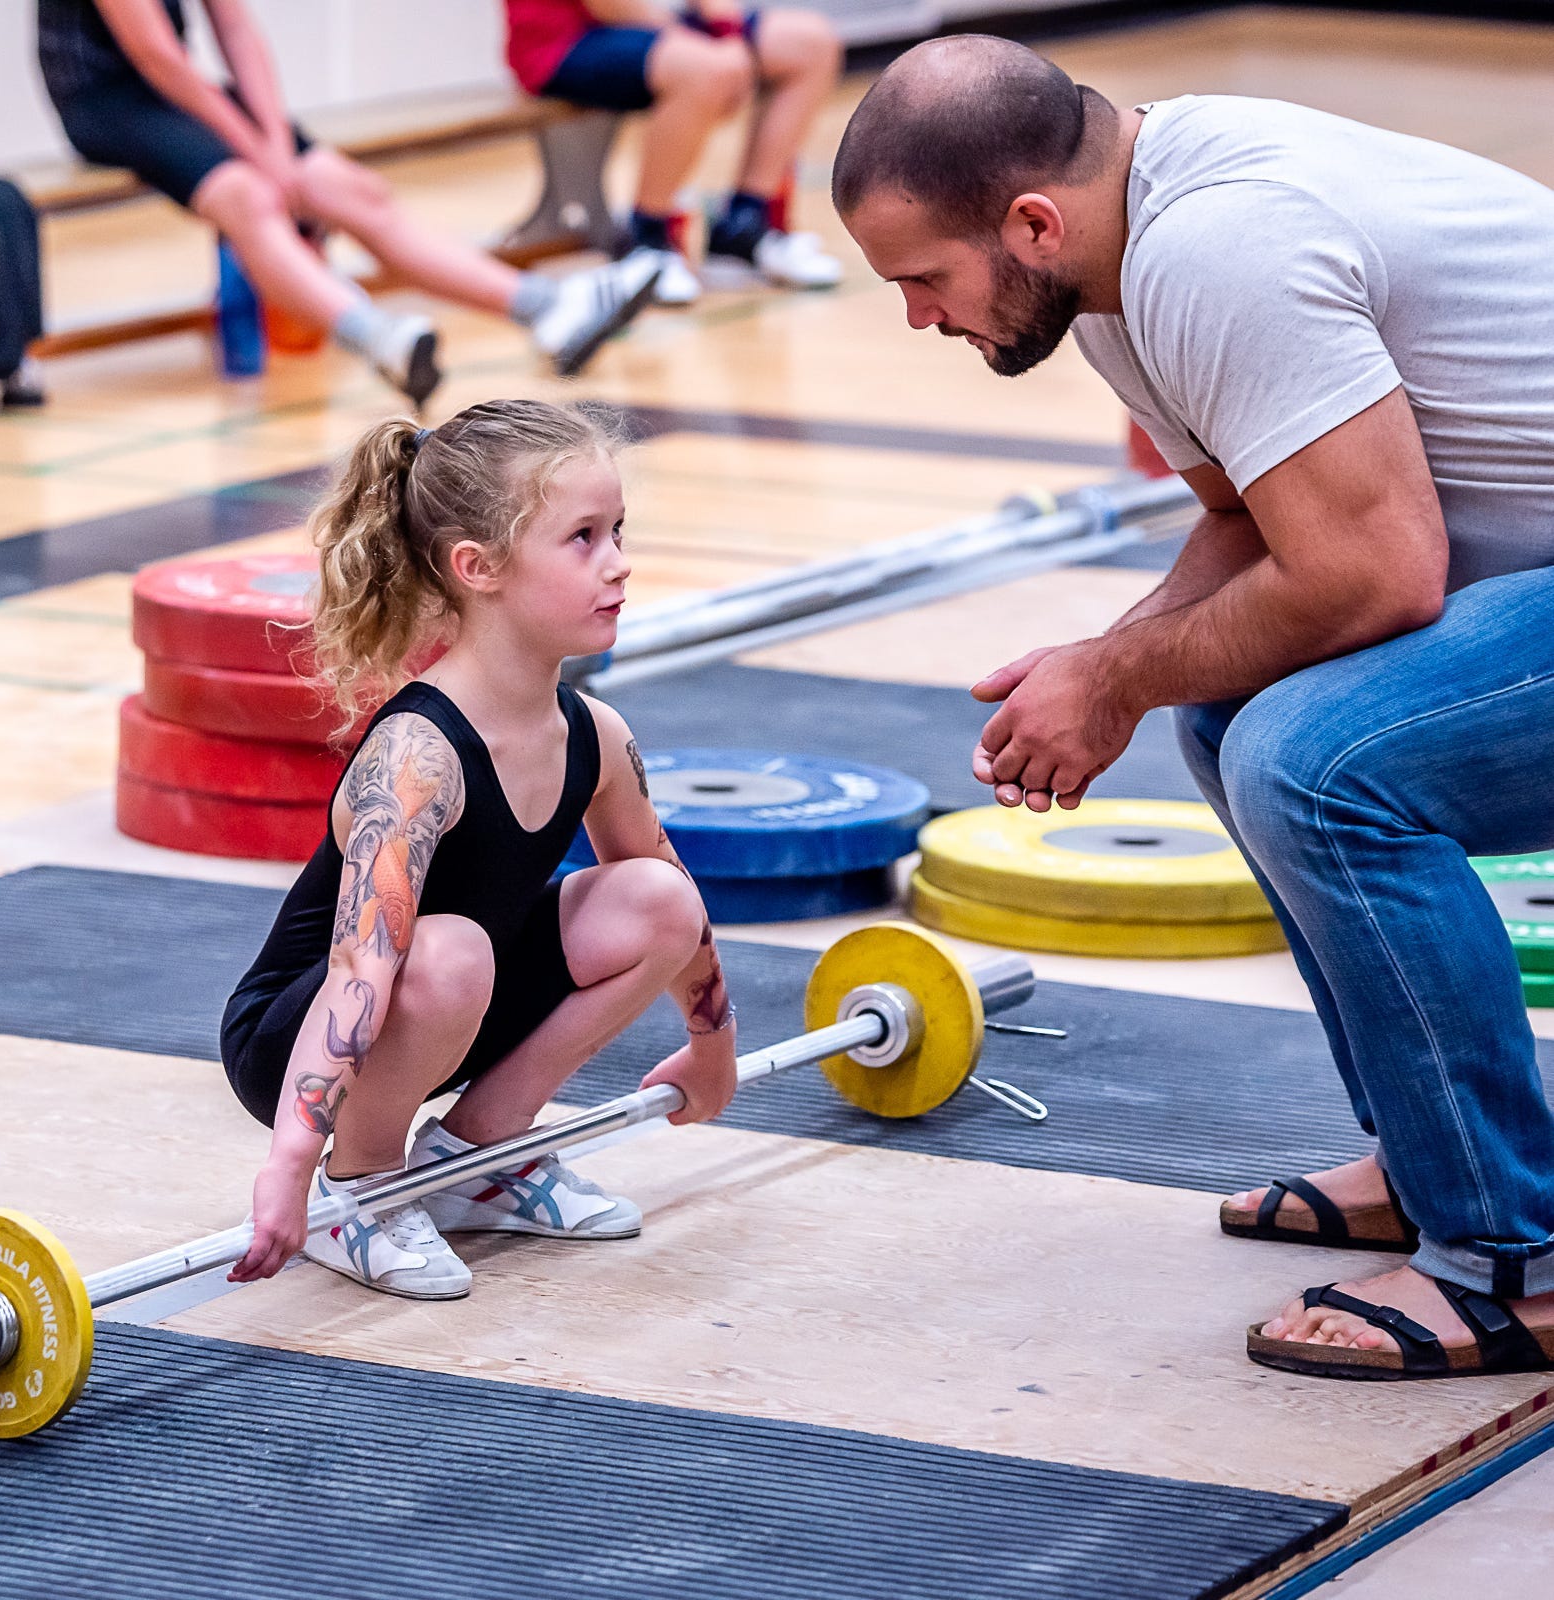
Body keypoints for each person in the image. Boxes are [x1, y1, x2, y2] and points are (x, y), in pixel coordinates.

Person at [830, 36, 1554, 1378]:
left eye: (923, 279)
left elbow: (1376, 573)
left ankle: (1514, 1259)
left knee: (1316, 767)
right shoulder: (1109, 254)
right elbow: (1250, 519)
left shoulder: (1215, 248)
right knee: (1228, 710)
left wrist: (1111, 677)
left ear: (1029, 222)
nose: (918, 319)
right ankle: (1437, 1153)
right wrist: (1107, 666)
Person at [221, 399, 740, 1298]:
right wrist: (290, 1164)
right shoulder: (416, 759)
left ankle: (481, 1156)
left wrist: (712, 1051)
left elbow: (679, 922)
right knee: (452, 947)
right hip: (302, 1040)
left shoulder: (596, 735)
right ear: (478, 567)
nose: (618, 563)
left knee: (656, 896)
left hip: (457, 998)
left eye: (617, 530)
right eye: (582, 538)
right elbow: (358, 975)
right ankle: (364, 1188)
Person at [36, 0, 664, 406]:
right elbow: (156, 56)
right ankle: (374, 336)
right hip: (108, 102)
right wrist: (258, 156)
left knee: (346, 188)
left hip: (180, 91)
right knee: (248, 196)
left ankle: (545, 308)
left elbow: (235, 29)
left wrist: (275, 140)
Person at [505, 0, 846, 303]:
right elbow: (608, 7)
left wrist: (727, 32)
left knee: (810, 43)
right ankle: (647, 240)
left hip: (659, 26)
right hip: (563, 41)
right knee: (706, 70)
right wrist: (707, 48)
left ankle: (744, 225)